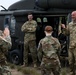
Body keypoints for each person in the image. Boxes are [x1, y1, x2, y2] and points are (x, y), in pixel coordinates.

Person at [61, 11, 76, 75]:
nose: (72, 17)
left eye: (73, 15)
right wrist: (64, 28)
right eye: (72, 15)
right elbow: (67, 34)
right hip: (71, 46)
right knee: (70, 61)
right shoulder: (70, 24)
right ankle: (71, 72)